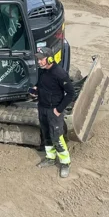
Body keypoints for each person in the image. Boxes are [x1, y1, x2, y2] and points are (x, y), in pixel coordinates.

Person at [33, 46, 75, 178]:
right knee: (46, 135)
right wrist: (35, 90)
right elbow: (42, 86)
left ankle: (65, 162)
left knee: (57, 136)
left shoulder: (60, 74)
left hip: (54, 110)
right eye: (38, 59)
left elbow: (71, 93)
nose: (39, 62)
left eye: (41, 59)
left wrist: (59, 109)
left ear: (50, 59)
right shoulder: (42, 71)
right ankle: (50, 158)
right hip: (42, 108)